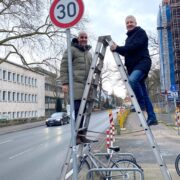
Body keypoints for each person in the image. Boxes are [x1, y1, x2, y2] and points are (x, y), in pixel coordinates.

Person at [110, 15, 158, 126]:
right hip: (133, 67)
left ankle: (141, 104)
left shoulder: (141, 32)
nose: (129, 24)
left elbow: (135, 47)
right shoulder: (128, 39)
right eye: (127, 23)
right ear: (125, 25)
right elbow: (127, 51)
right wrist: (116, 49)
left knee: (132, 81)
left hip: (142, 63)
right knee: (144, 93)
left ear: (135, 23)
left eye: (131, 22)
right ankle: (152, 117)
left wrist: (118, 48)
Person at [60, 31, 93, 144]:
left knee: (83, 112)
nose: (83, 39)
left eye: (85, 37)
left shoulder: (89, 53)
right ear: (78, 38)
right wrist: (64, 83)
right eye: (81, 37)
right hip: (75, 86)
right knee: (78, 111)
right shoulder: (71, 50)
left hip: (86, 88)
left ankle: (81, 135)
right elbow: (64, 65)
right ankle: (76, 137)